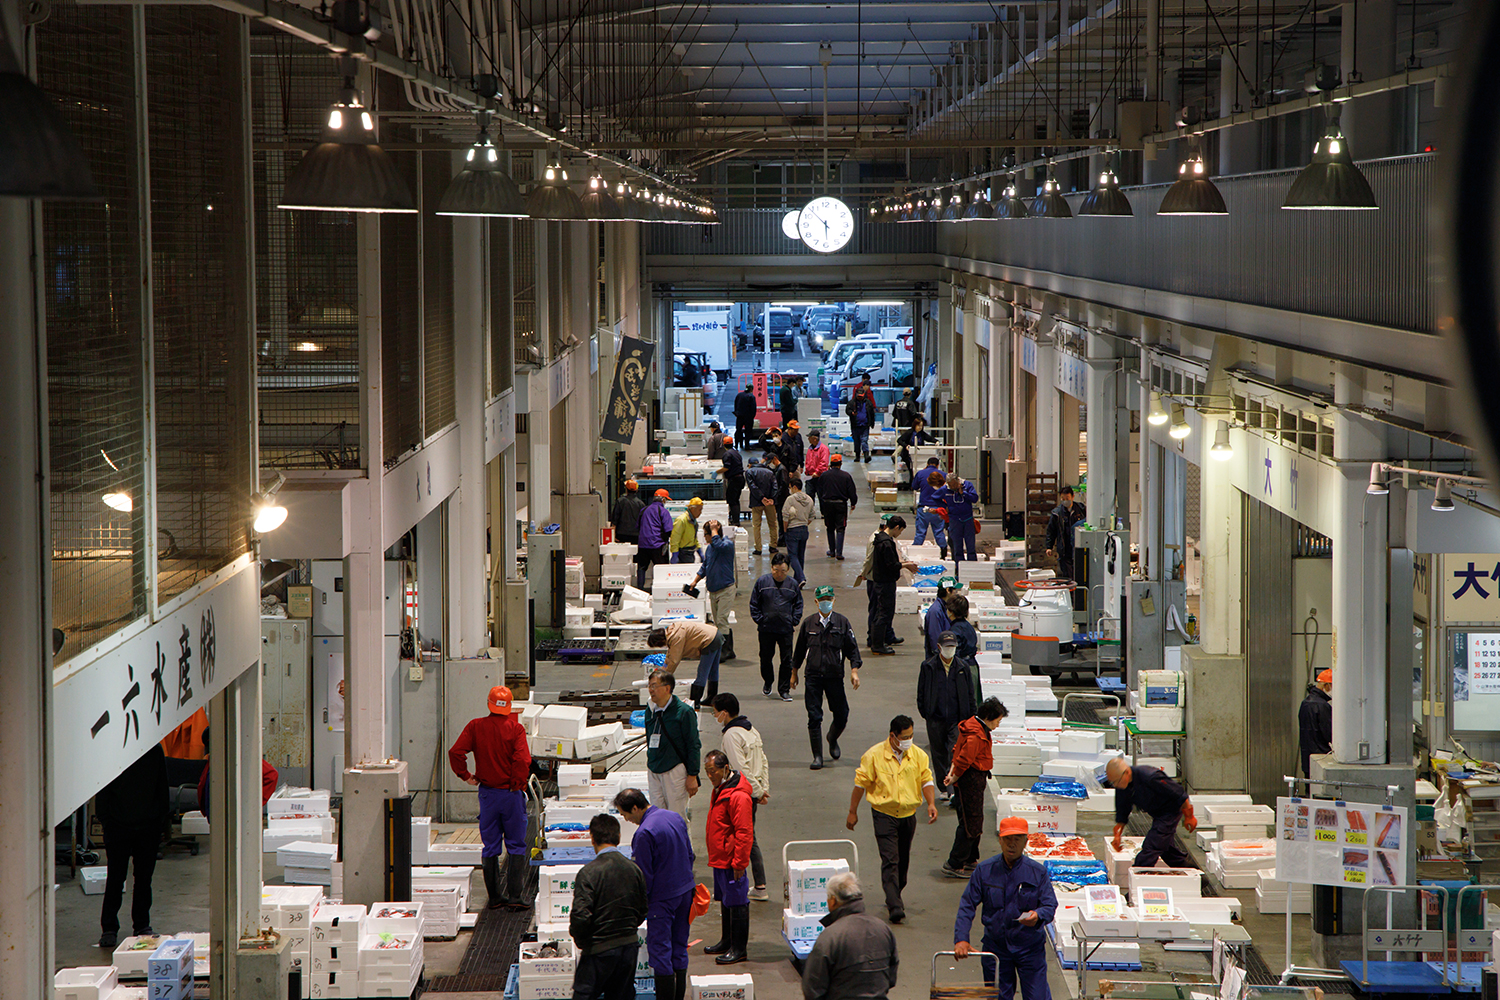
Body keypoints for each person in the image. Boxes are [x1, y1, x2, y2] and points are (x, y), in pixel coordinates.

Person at [953, 817, 1058, 1000]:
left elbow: (1050, 904)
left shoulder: (1037, 872)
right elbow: (967, 904)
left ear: (1026, 841)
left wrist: (1038, 914)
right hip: (996, 949)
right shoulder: (985, 871)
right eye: (1007, 839)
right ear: (999, 840)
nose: (1012, 844)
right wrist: (961, 939)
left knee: (1037, 997)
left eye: (1017, 839)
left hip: (1029, 949)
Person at [448, 686, 533, 911]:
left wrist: (466, 776)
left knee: (491, 846)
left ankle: (494, 898)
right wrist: (517, 784)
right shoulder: (516, 729)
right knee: (515, 844)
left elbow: (455, 752)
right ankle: (515, 896)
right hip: (510, 794)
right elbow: (523, 760)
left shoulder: (475, 726)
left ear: (489, 703)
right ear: (510, 706)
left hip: (487, 794)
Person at [847, 715, 938, 923]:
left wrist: (931, 803)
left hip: (908, 816)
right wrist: (853, 811)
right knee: (890, 860)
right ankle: (895, 905)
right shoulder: (874, 756)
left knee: (903, 862)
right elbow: (860, 785)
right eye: (905, 737)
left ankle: (895, 892)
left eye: (911, 736)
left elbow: (926, 779)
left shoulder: (918, 755)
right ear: (893, 736)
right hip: (884, 815)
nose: (909, 740)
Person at [614, 788, 694, 1000]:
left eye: (626, 814)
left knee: (660, 952)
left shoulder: (644, 834)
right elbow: (690, 854)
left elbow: (644, 877)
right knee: (679, 946)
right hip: (685, 892)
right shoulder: (674, 817)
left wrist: (638, 907)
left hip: (662, 899)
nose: (627, 819)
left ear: (635, 808)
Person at [569, 813, 650, 1000]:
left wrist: (583, 942)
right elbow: (642, 909)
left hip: (598, 951)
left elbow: (580, 917)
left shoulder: (588, 873)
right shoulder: (634, 869)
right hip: (628, 949)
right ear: (619, 837)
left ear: (592, 838)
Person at [96, 744, 170, 947]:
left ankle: (141, 925)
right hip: (118, 826)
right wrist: (106, 821)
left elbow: (161, 786)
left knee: (144, 879)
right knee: (116, 878)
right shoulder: (114, 749)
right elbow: (103, 788)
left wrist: (159, 821)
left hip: (148, 825)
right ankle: (109, 928)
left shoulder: (153, 750)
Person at [790, 585, 863, 770]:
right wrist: (794, 673)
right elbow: (798, 651)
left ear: (834, 600)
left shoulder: (842, 623)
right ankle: (817, 756)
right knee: (814, 716)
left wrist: (854, 671)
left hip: (834, 676)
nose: (826, 603)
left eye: (829, 600)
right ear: (816, 602)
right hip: (813, 677)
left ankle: (832, 737)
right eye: (822, 600)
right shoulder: (808, 624)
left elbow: (852, 649)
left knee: (842, 714)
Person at [800, 872, 899, 1000]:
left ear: (833, 901)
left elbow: (812, 988)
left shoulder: (830, 937)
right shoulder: (884, 929)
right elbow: (891, 977)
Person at [713, 694, 772, 902]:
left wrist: (756, 791)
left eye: (715, 711)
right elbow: (763, 761)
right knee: (749, 835)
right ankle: (759, 883)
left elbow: (740, 768)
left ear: (724, 713)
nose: (714, 715)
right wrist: (763, 788)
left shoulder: (731, 735)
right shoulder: (751, 730)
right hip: (753, 790)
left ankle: (757, 884)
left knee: (743, 836)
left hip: (740, 793)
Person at [943, 698, 1008, 878]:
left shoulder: (974, 726)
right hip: (970, 780)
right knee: (970, 822)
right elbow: (963, 758)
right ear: (988, 717)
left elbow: (957, 750)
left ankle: (970, 858)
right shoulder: (976, 735)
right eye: (997, 721)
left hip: (973, 779)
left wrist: (952, 772)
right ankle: (955, 862)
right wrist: (954, 776)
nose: (998, 725)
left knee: (974, 819)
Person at [702, 750, 753, 965]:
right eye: (707, 771)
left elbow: (744, 831)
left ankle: (739, 949)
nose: (710, 776)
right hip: (720, 857)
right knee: (726, 900)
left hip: (732, 859)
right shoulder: (721, 788)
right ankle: (727, 940)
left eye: (712, 771)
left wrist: (739, 862)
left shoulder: (738, 796)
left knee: (737, 901)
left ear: (725, 768)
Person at [917, 630, 976, 810]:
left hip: (957, 719)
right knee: (938, 753)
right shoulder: (928, 666)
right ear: (939, 647)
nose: (949, 650)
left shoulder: (962, 667)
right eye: (946, 647)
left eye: (952, 646)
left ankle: (952, 789)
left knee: (953, 752)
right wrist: (926, 712)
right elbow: (921, 692)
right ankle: (943, 787)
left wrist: (970, 716)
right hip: (935, 717)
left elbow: (970, 693)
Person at [1106, 758, 1199, 869]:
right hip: (1157, 813)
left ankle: (1138, 874)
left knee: (1151, 846)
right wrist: (1118, 833)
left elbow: (1178, 793)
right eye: (1113, 783)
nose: (1116, 785)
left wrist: (1189, 816)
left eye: (1116, 781)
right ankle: (1197, 876)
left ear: (1127, 772)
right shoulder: (1122, 784)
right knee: (1166, 849)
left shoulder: (1150, 777)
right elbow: (1123, 807)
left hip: (1170, 811)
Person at [640, 669, 702, 817]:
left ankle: (682, 841)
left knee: (676, 816)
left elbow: (693, 744)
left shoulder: (684, 712)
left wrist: (692, 775)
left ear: (667, 688)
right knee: (657, 816)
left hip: (674, 770)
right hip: (654, 769)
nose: (651, 690)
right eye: (649, 686)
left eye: (654, 686)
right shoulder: (650, 710)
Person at [749, 552, 803, 699]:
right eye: (776, 570)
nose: (779, 574)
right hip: (766, 629)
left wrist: (794, 620)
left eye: (783, 571)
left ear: (788, 570)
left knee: (787, 660)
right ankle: (768, 681)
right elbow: (754, 603)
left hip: (785, 629)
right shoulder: (762, 583)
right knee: (765, 658)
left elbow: (798, 604)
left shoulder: (792, 585)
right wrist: (760, 619)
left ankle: (784, 689)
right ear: (771, 567)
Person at [869, 515, 918, 654]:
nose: (899, 534)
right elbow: (891, 565)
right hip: (885, 583)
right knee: (883, 613)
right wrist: (906, 565)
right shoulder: (886, 543)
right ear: (896, 527)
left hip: (882, 581)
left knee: (883, 612)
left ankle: (882, 640)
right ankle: (877, 645)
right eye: (900, 531)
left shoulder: (881, 538)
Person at [689, 520, 738, 661]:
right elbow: (705, 566)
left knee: (722, 620)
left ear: (713, 534)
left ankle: (723, 651)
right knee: (718, 622)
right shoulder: (710, 548)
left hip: (726, 589)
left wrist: (714, 529)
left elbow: (719, 545)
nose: (705, 538)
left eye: (706, 534)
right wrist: (695, 581)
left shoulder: (727, 545)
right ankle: (729, 650)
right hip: (714, 590)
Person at [648, 622, 723, 711]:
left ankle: (695, 701)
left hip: (709, 640)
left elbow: (674, 661)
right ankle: (711, 698)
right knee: (713, 671)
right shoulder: (672, 631)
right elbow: (669, 655)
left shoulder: (676, 637)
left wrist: (664, 677)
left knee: (703, 672)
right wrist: (662, 670)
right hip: (716, 634)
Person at [853, 514, 899, 648]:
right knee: (877, 610)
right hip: (875, 579)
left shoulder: (886, 538)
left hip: (883, 578)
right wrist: (863, 574)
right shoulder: (876, 539)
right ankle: (872, 638)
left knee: (885, 610)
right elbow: (869, 559)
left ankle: (887, 635)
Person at [819, 453, 858, 559]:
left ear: (831, 463)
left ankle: (832, 551)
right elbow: (852, 491)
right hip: (841, 504)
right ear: (840, 464)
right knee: (840, 528)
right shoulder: (846, 476)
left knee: (830, 528)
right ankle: (839, 553)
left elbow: (820, 491)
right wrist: (853, 503)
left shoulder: (824, 475)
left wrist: (822, 505)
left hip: (827, 504)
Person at [1044, 485, 1086, 577]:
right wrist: (1049, 546)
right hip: (1064, 548)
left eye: (1067, 498)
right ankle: (1070, 591)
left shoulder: (1081, 509)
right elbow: (1051, 530)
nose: (1065, 501)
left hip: (1079, 546)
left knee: (1080, 573)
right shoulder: (1057, 513)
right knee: (1067, 574)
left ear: (1073, 497)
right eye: (1063, 499)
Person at [635, 489, 674, 588]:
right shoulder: (663, 511)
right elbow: (668, 529)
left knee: (642, 568)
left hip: (643, 545)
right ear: (663, 500)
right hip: (658, 545)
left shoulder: (643, 510)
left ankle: (640, 589)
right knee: (661, 569)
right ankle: (660, 589)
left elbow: (637, 526)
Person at [1299, 668, 1334, 777]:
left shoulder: (1305, 703)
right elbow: (1329, 734)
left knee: (1310, 789)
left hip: (1307, 758)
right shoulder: (1323, 706)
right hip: (1321, 759)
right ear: (1326, 685)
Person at [913, 458, 950, 558]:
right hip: (939, 509)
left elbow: (914, 486)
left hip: (923, 508)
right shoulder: (944, 474)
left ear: (927, 464)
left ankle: (914, 554)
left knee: (920, 532)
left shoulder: (921, 473)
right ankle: (943, 553)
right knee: (939, 532)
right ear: (938, 465)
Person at [940, 473, 980, 561]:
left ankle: (972, 564)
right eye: (950, 485)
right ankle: (959, 566)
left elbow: (975, 499)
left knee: (970, 545)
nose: (952, 487)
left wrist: (964, 493)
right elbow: (935, 498)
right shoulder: (945, 489)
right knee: (957, 546)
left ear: (958, 481)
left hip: (968, 519)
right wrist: (944, 506)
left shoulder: (967, 485)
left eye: (954, 484)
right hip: (954, 520)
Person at [782, 477, 815, 585]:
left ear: (795, 487)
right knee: (800, 556)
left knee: (792, 556)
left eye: (790, 487)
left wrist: (785, 529)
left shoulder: (790, 499)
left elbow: (785, 516)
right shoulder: (809, 499)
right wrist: (804, 523)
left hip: (792, 529)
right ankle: (797, 582)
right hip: (804, 530)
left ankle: (801, 577)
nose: (790, 489)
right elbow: (812, 516)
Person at [745, 458, 778, 555]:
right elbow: (775, 486)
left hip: (757, 502)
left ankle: (758, 548)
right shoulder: (770, 472)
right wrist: (771, 498)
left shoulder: (749, 472)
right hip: (769, 503)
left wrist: (761, 498)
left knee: (756, 526)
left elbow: (752, 486)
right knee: (773, 524)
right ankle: (773, 546)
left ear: (750, 464)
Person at [895, 416, 934, 490]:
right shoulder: (909, 433)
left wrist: (936, 441)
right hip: (908, 455)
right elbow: (899, 440)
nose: (920, 427)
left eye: (921, 426)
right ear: (915, 425)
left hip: (918, 454)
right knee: (911, 469)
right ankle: (912, 485)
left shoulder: (922, 434)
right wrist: (906, 446)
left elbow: (929, 438)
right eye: (919, 425)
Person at [923, 578, 958, 658]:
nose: (956, 594)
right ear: (948, 590)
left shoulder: (944, 607)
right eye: (955, 591)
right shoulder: (935, 612)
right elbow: (935, 639)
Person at [846, 374, 877, 463]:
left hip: (865, 425)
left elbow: (871, 413)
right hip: (855, 425)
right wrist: (851, 413)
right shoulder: (852, 403)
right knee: (856, 441)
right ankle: (857, 456)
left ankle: (866, 455)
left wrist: (872, 423)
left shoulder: (868, 403)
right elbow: (847, 410)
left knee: (864, 440)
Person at [610, 479, 646, 546]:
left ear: (626, 489)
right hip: (636, 535)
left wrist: (613, 535)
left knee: (623, 554)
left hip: (621, 534)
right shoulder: (641, 504)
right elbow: (643, 522)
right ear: (636, 490)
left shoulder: (620, 501)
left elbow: (614, 520)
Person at [718, 436, 745, 526]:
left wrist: (716, 472)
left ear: (724, 445)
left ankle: (735, 521)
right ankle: (735, 519)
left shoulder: (727, 454)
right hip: (740, 479)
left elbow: (726, 467)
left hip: (734, 479)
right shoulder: (736, 453)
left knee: (732, 501)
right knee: (736, 500)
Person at [669, 497, 704, 564]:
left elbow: (694, 538)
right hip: (682, 554)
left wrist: (699, 550)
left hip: (690, 553)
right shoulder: (682, 520)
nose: (700, 512)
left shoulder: (693, 521)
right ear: (693, 509)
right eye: (699, 510)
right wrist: (675, 554)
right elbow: (675, 538)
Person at [945, 594, 980, 660]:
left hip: (961, 666)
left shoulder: (955, 630)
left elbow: (953, 654)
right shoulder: (969, 627)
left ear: (951, 611)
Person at [803, 430, 830, 509]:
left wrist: (817, 472)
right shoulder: (810, 448)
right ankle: (810, 512)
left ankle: (824, 513)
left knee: (821, 495)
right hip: (810, 476)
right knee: (809, 495)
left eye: (809, 438)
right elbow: (808, 461)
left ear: (814, 438)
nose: (808, 439)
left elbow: (824, 463)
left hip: (819, 476)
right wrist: (807, 471)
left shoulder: (823, 449)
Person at [733, 385, 758, 450]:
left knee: (738, 430)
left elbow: (735, 405)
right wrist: (752, 416)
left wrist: (737, 413)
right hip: (748, 417)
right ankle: (747, 445)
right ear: (751, 389)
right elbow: (753, 408)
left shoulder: (739, 395)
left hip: (739, 416)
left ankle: (736, 444)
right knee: (748, 431)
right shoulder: (751, 397)